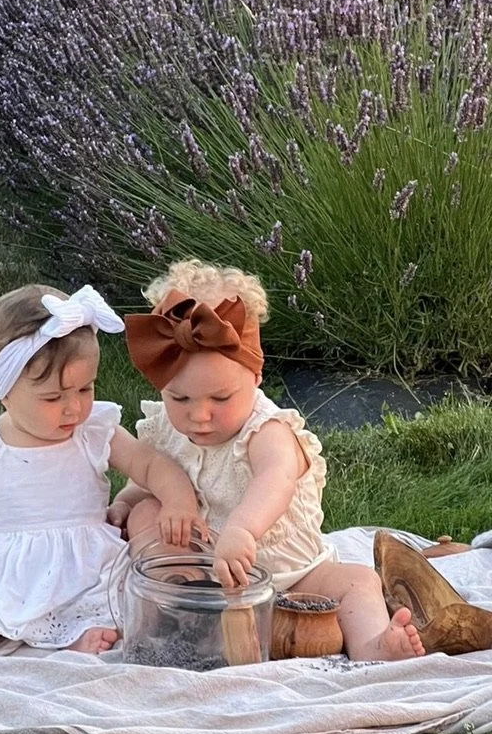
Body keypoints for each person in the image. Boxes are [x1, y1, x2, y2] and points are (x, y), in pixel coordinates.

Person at [107, 259, 425, 662]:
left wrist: (242, 529)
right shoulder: (170, 428)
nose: (198, 415)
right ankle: (178, 604)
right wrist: (125, 501)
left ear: (255, 376)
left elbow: (276, 480)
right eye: (180, 398)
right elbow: (155, 473)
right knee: (150, 512)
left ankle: (376, 645)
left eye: (220, 398)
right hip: (214, 574)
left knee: (358, 581)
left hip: (298, 576)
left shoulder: (266, 430)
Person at [0, 283, 205, 664]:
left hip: (79, 564)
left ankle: (71, 642)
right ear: (4, 391)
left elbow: (149, 463)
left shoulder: (95, 431)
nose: (74, 408)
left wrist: (178, 500)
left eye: (85, 388)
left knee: (114, 602)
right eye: (53, 397)